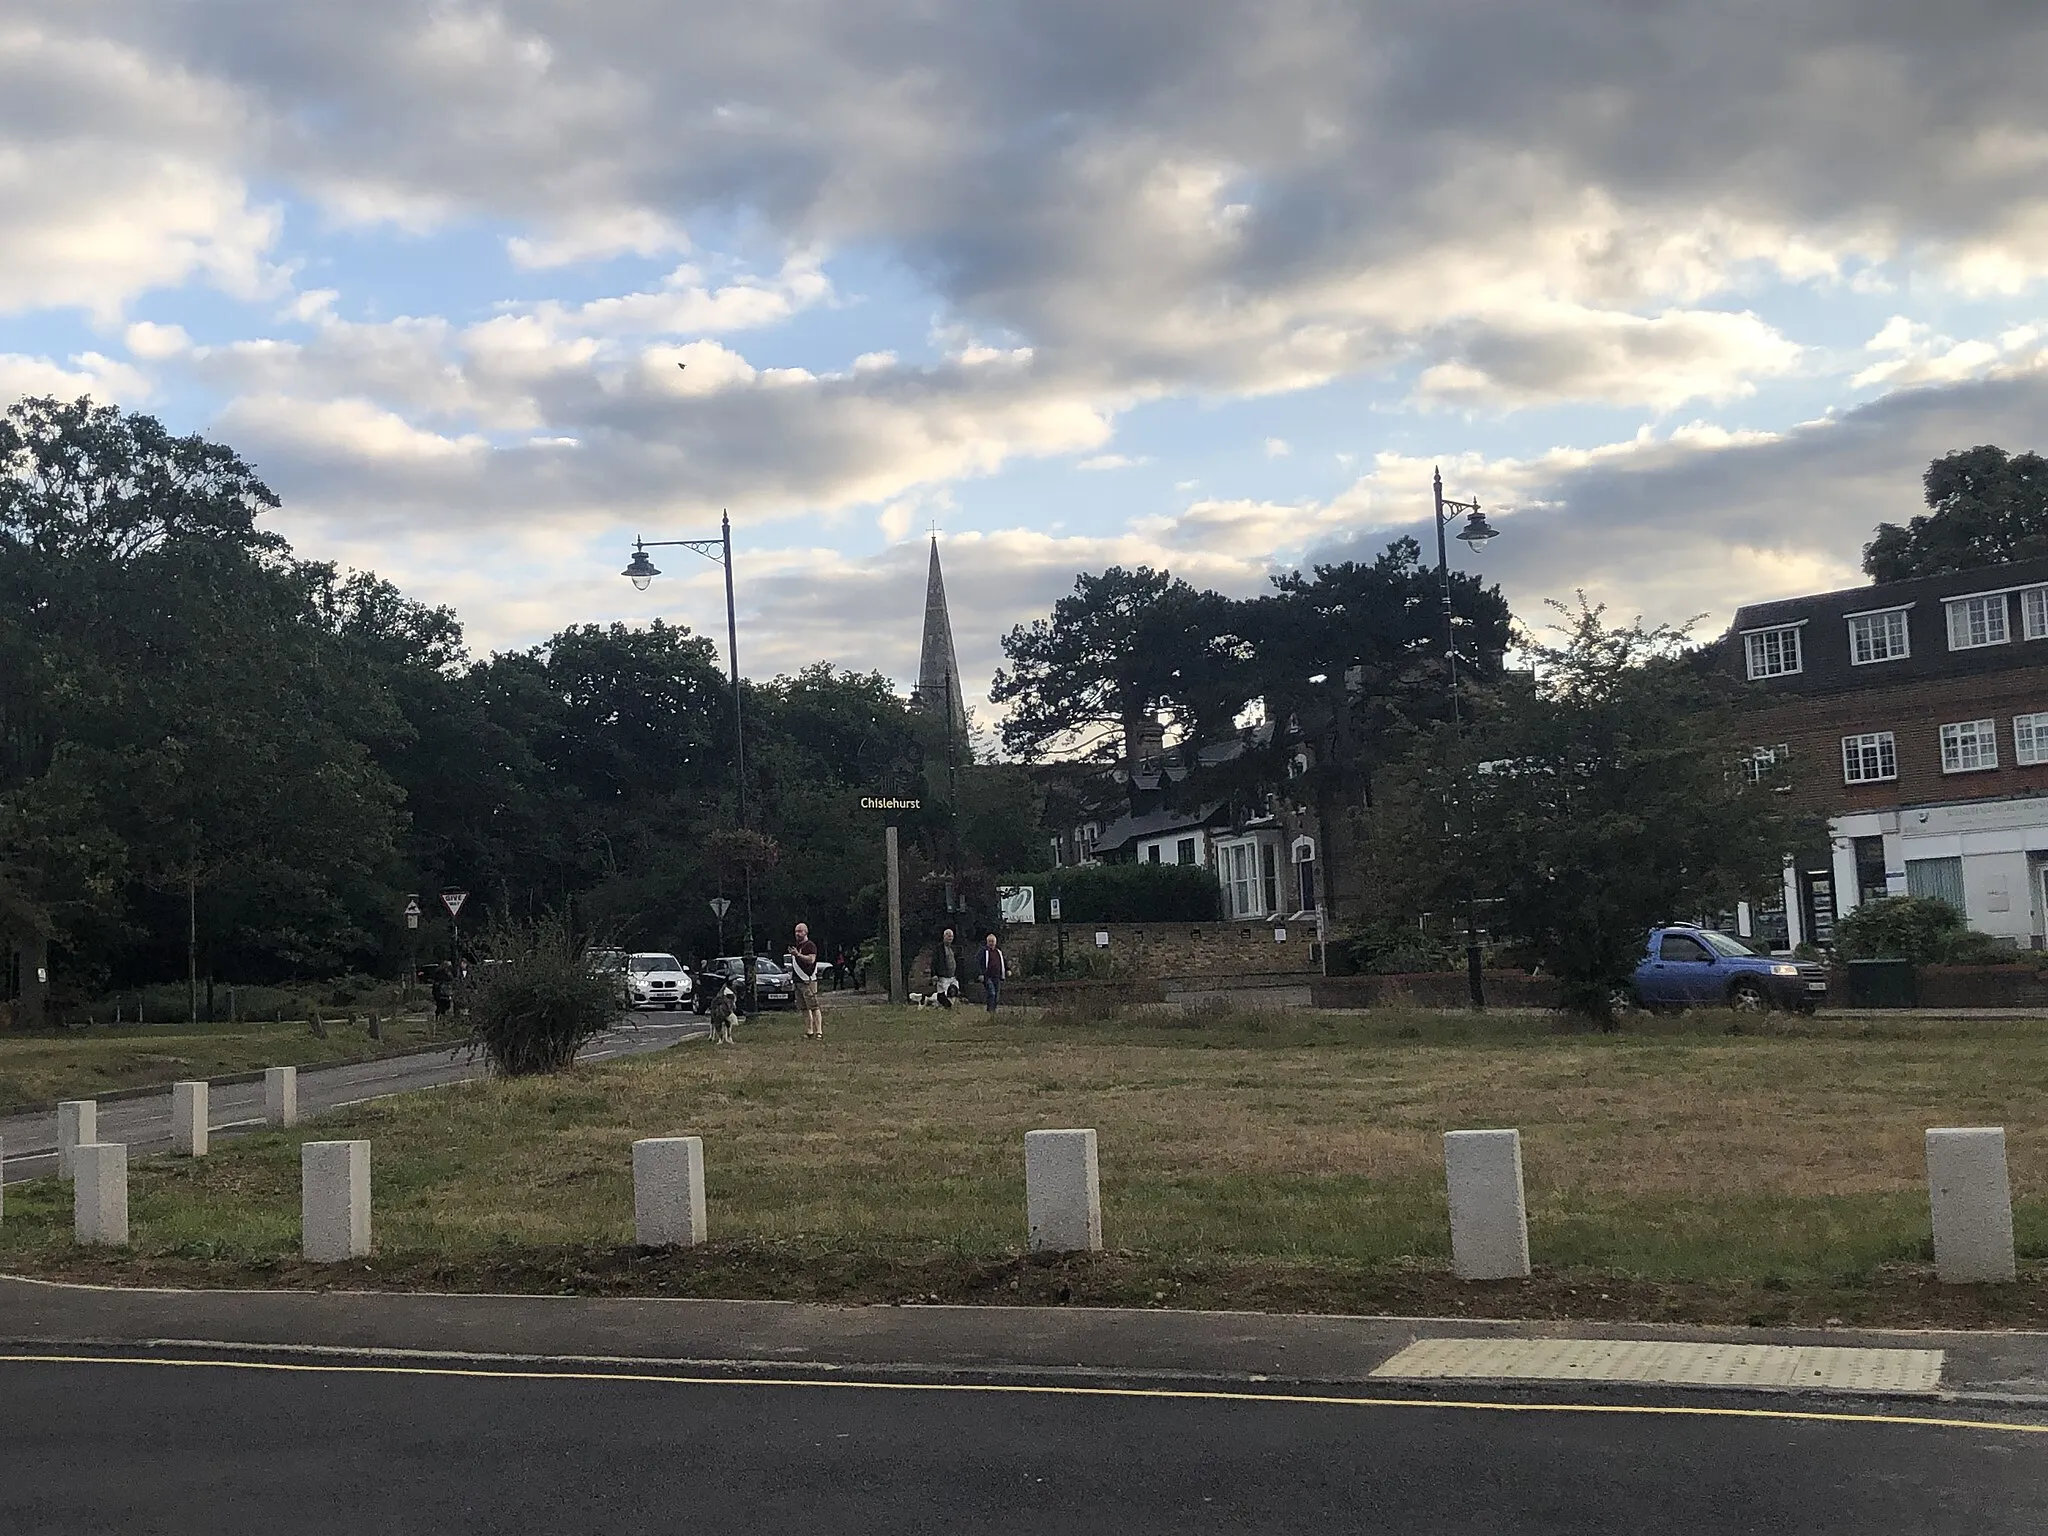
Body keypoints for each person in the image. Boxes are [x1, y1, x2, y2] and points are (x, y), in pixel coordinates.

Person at [790, 921, 824, 1039]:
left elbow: (811, 960)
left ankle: (819, 1031)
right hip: (798, 981)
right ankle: (809, 1031)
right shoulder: (797, 946)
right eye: (796, 931)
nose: (797, 934)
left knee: (814, 1006)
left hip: (807, 981)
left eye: (800, 931)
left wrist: (798, 955)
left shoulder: (810, 945)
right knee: (803, 1008)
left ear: (806, 932)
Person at [979, 932, 1006, 1014]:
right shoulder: (983, 951)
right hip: (987, 976)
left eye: (993, 941)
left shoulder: (999, 952)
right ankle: (990, 1010)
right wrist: (980, 974)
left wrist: (1007, 970)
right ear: (987, 942)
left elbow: (1003, 961)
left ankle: (993, 1010)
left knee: (996, 996)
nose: (991, 943)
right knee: (991, 993)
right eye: (989, 941)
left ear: (995, 942)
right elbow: (978, 962)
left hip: (997, 976)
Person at [931, 927, 959, 1007]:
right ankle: (944, 1008)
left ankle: (949, 1008)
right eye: (948, 936)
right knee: (943, 994)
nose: (950, 938)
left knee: (954, 992)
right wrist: (934, 974)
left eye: (951, 936)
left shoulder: (953, 948)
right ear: (944, 937)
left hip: (953, 976)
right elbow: (934, 962)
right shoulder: (938, 948)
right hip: (942, 976)